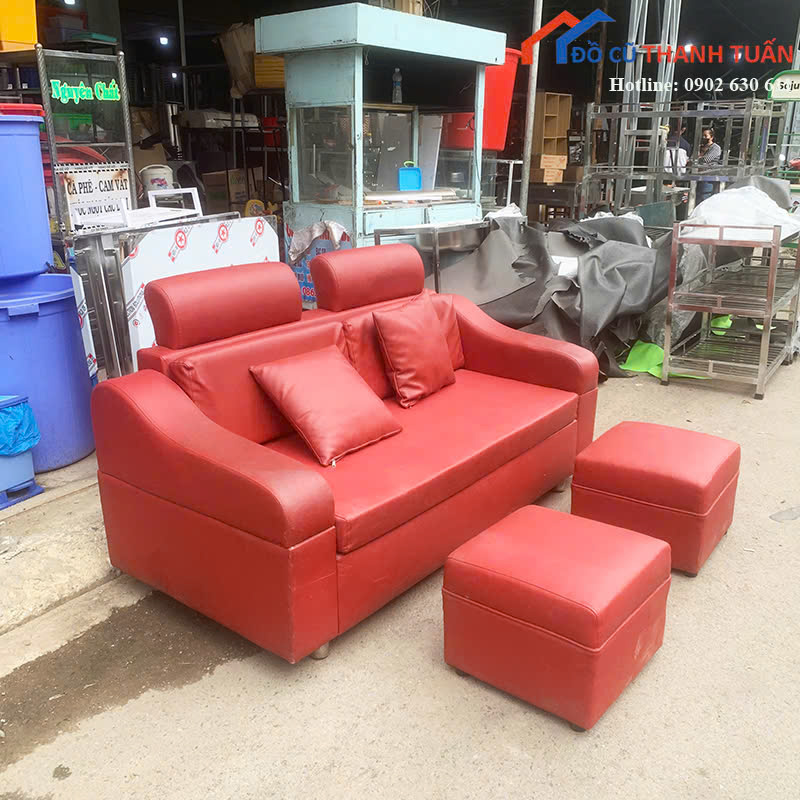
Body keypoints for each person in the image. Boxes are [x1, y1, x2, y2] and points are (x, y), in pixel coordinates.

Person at [695, 127, 722, 206]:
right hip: (697, 175)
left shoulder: (715, 148)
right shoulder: (700, 147)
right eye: (702, 135)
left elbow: (706, 159)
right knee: (697, 197)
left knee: (704, 197)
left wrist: (697, 159)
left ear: (711, 137)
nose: (703, 138)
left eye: (705, 136)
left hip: (708, 176)